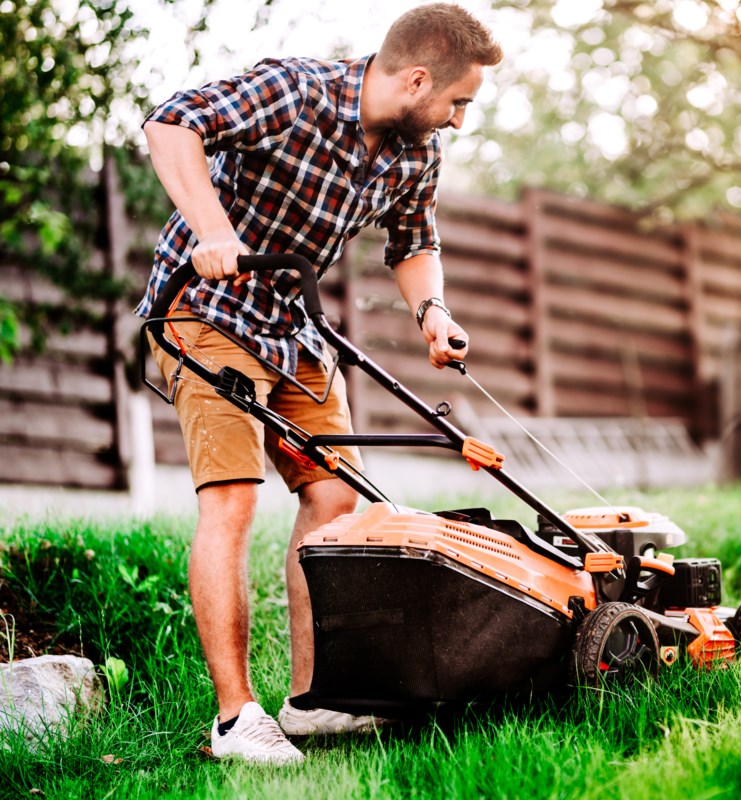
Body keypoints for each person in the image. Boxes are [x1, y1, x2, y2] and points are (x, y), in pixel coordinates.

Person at [135, 3, 503, 765]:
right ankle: (236, 719)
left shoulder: (414, 153)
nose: (460, 120)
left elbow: (414, 240)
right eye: (458, 102)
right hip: (205, 310)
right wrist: (210, 227)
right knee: (232, 500)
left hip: (292, 322)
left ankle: (311, 700)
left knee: (336, 502)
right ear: (417, 78)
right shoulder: (297, 92)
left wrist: (432, 312)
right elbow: (170, 124)